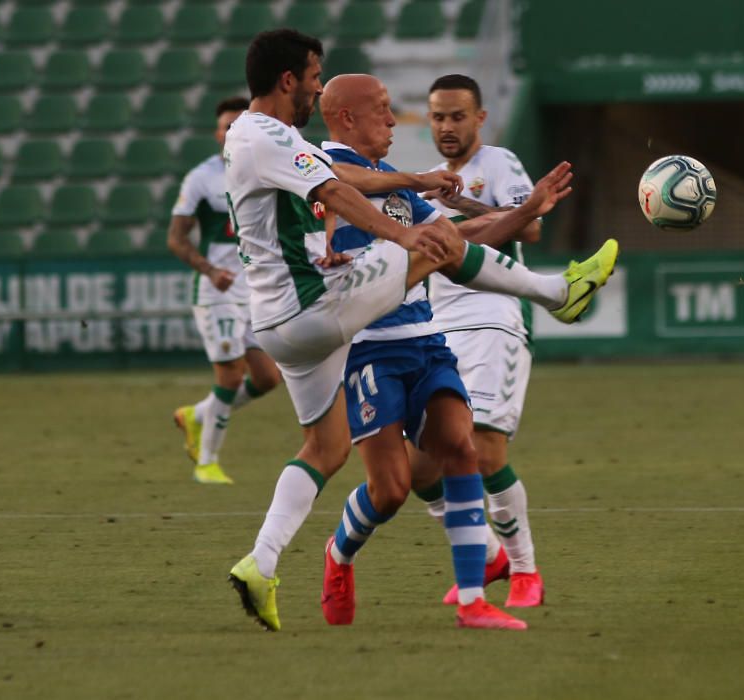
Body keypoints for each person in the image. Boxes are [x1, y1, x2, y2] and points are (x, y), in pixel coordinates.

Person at [225, 29, 618, 632]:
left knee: (332, 450)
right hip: (319, 319)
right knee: (435, 248)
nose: (394, 117)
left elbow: (348, 193)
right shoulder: (273, 135)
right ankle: (559, 293)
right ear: (290, 81)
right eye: (312, 75)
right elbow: (333, 187)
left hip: (302, 325)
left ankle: (262, 562)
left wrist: (507, 207)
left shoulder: (283, 143)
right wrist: (404, 233)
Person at [410, 74, 551, 608]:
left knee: (486, 452)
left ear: (479, 118)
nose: (447, 126)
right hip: (436, 323)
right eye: (439, 117)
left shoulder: (496, 163)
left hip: (494, 316)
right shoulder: (422, 180)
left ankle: (524, 571)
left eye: (457, 116)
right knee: (419, 468)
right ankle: (489, 552)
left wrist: (461, 208)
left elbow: (530, 225)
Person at [168, 96, 282, 485]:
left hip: (254, 289)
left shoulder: (265, 169)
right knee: (231, 375)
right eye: (227, 126)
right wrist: (209, 269)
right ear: (218, 133)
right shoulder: (202, 178)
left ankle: (198, 415)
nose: (232, 131)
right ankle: (207, 462)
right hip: (217, 289)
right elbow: (177, 238)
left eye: (240, 124)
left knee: (267, 378)